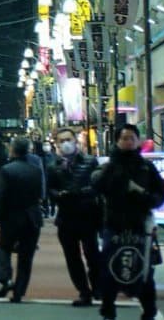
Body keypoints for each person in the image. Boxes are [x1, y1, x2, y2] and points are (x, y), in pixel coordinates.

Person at [92, 124, 164, 320]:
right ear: (117, 141)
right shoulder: (108, 166)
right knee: (109, 267)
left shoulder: (146, 167)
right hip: (114, 224)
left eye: (132, 138)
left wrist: (142, 193)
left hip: (140, 225)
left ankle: (149, 310)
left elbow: (161, 195)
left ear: (138, 141)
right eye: (124, 138)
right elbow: (97, 187)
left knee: (143, 269)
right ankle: (108, 309)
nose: (128, 142)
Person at [47, 126, 102, 306]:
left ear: (75, 140)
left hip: (88, 216)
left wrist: (81, 192)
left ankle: (98, 287)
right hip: (66, 218)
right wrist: (59, 195)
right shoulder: (53, 166)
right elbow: (50, 190)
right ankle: (83, 292)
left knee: (92, 254)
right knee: (72, 258)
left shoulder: (90, 161)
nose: (66, 144)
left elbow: (98, 187)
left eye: (68, 140)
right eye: (61, 141)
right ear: (56, 144)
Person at [0, 137, 46, 303]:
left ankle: (6, 279)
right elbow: (40, 194)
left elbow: (1, 195)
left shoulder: (7, 170)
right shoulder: (36, 170)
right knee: (26, 256)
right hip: (32, 216)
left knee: (4, 248)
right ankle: (19, 291)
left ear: (13, 150)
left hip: (11, 216)